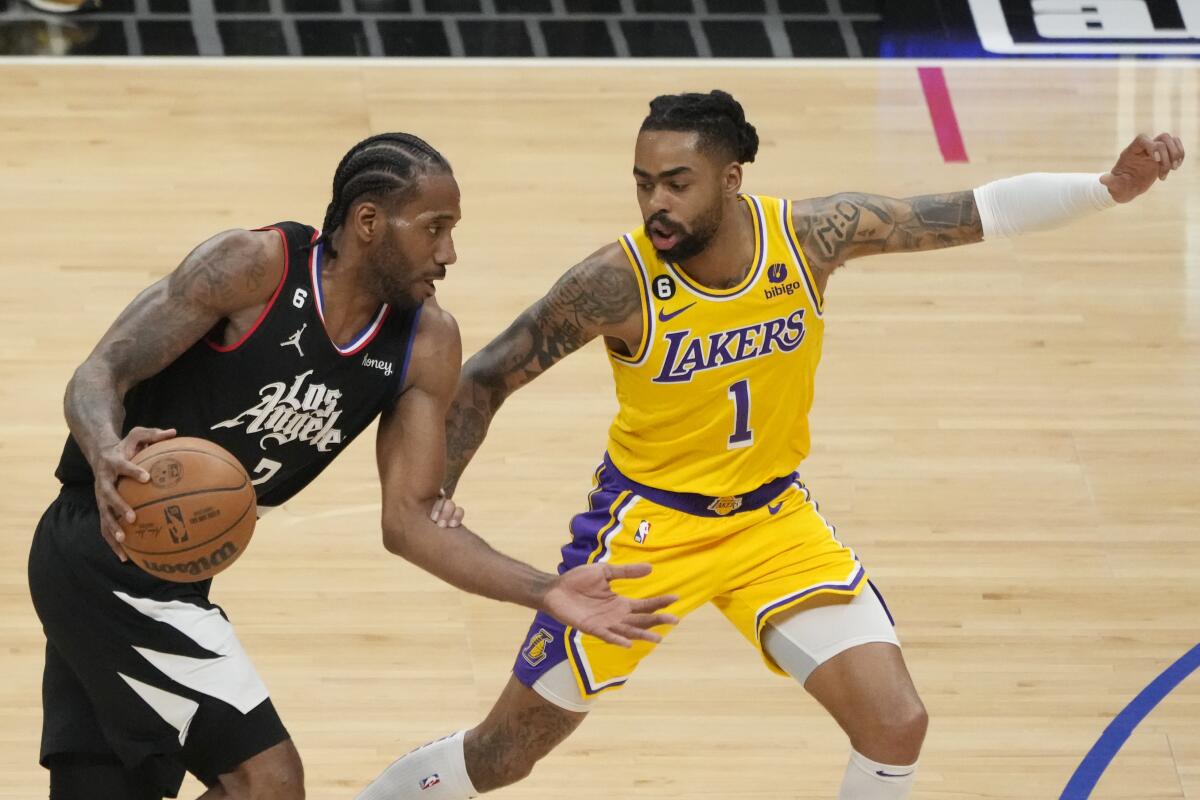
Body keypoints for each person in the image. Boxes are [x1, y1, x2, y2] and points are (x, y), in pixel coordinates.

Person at [356, 92, 1185, 800]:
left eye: (676, 184)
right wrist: (433, 495)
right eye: (644, 184)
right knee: (504, 756)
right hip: (650, 531)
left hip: (772, 524)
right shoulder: (616, 279)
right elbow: (486, 377)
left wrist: (1109, 188)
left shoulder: (814, 236)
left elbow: (972, 212)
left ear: (730, 178)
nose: (656, 204)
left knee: (897, 723)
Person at [27, 132, 677, 800]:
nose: (448, 253)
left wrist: (544, 589)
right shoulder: (253, 267)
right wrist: (105, 447)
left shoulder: (425, 342)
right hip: (99, 551)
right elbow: (102, 369)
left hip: (179, 576)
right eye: (434, 229)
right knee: (269, 782)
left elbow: (411, 521)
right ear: (369, 222)